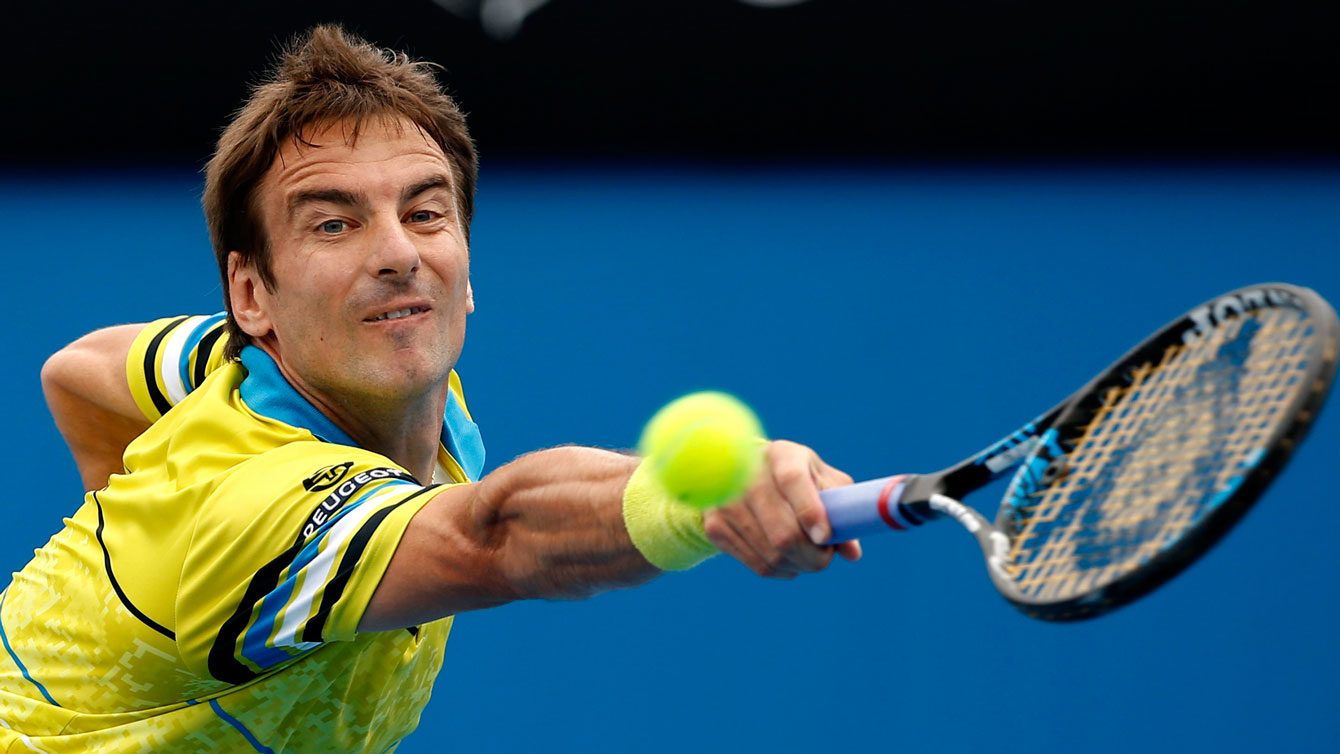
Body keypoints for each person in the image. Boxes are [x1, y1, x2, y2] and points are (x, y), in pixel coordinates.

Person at [0, 24, 859, 753]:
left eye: (424, 213)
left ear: (466, 269)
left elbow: (75, 370)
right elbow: (495, 537)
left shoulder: (275, 363)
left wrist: (138, 563)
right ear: (252, 294)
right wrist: (691, 502)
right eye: (333, 223)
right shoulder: (247, 512)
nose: (398, 254)